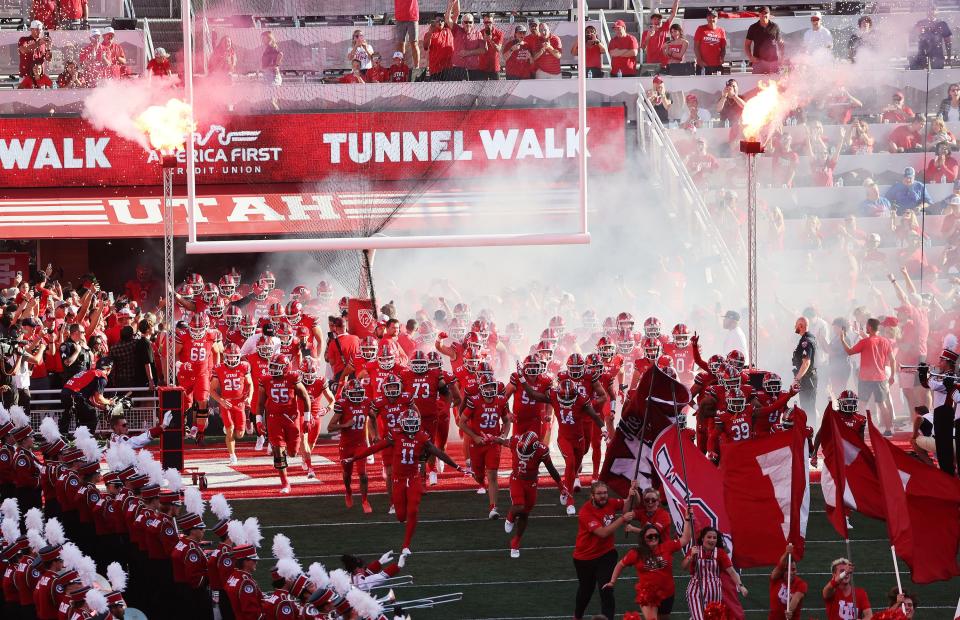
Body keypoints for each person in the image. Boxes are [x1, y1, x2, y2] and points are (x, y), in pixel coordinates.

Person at [345, 411, 465, 554]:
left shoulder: (421, 436)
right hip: (398, 479)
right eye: (408, 423)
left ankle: (406, 545)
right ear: (402, 424)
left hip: (414, 477)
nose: (411, 426)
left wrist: (457, 466)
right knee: (401, 516)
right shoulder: (395, 435)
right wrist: (355, 458)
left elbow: (438, 452)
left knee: (413, 510)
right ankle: (405, 514)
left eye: (413, 423)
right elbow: (375, 448)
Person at [604, 509, 693, 620]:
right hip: (648, 595)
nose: (653, 538)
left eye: (655, 535)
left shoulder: (667, 546)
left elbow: (685, 539)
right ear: (643, 539)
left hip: (667, 593)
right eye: (650, 536)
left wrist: (688, 520)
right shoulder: (636, 553)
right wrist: (612, 582)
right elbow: (620, 564)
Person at [495, 430, 567, 557]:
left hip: (531, 483)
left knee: (525, 514)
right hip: (517, 479)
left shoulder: (541, 450)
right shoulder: (515, 441)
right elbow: (502, 441)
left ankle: (516, 542)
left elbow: (551, 468)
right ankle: (510, 516)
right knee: (519, 506)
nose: (523, 455)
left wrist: (561, 486)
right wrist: (492, 438)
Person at [572, 481, 637, 620]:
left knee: (606, 588)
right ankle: (577, 616)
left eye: (605, 493)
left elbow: (628, 505)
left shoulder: (611, 503)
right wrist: (622, 520)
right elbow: (602, 533)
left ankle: (608, 618)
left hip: (606, 554)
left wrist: (632, 493)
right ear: (592, 495)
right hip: (584, 557)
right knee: (586, 590)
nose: (603, 496)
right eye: (599, 494)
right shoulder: (586, 511)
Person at [682, 527, 747, 620]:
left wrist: (741, 586)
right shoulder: (695, 551)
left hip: (714, 591)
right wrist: (690, 557)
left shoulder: (720, 553)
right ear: (702, 538)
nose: (712, 540)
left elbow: (732, 571)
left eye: (714, 538)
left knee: (711, 617)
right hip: (696, 590)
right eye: (709, 537)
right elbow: (684, 567)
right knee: (699, 618)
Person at [917, 347, 960, 475]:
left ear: (947, 362)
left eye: (941, 360)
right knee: (941, 446)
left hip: (946, 413)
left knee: (944, 447)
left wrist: (928, 376)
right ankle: (946, 472)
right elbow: (928, 385)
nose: (939, 362)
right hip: (940, 413)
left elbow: (937, 386)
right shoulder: (944, 375)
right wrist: (922, 375)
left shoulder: (952, 376)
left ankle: (948, 474)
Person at [60, 357, 114, 434]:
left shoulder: (89, 372)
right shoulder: (101, 376)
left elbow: (92, 398)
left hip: (66, 392)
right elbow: (99, 398)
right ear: (108, 369)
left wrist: (100, 406)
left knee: (69, 416)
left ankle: (62, 436)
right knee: (91, 419)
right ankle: (83, 440)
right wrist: (109, 402)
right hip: (76, 395)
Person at [446, 0, 484, 80]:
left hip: (473, 69)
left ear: (473, 23)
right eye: (466, 22)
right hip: (457, 69)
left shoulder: (478, 34)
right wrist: (450, 5)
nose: (468, 24)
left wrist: (468, 53)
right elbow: (447, 19)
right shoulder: (457, 30)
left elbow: (483, 50)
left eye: (470, 22)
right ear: (462, 23)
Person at [791, 316, 818, 424]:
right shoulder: (810, 337)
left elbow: (806, 362)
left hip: (807, 379)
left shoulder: (806, 341)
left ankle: (811, 432)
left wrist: (797, 379)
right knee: (807, 407)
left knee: (808, 408)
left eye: (796, 325)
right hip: (807, 378)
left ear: (801, 326)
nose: (795, 327)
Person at [769, 544, 807, 620]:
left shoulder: (801, 584)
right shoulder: (776, 578)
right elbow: (780, 566)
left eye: (794, 569)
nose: (791, 572)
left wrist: (789, 610)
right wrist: (787, 553)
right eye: (788, 570)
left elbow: (796, 598)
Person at [744, 6, 784, 74]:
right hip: (758, 62)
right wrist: (750, 57)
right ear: (759, 14)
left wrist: (781, 58)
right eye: (762, 13)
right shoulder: (753, 27)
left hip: (773, 62)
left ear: (769, 15)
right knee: (756, 83)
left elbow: (780, 43)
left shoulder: (775, 26)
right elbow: (747, 45)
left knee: (775, 83)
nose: (764, 15)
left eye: (766, 13)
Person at [640, 0, 679, 66]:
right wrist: (649, 36)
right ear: (651, 20)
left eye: (659, 19)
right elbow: (643, 47)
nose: (657, 21)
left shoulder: (664, 28)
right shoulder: (646, 32)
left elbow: (673, 14)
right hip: (651, 62)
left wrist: (676, 1)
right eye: (655, 19)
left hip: (663, 61)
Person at [911, 6, 951, 70]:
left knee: (937, 74)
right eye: (929, 9)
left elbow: (948, 41)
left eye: (933, 9)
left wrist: (949, 56)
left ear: (937, 12)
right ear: (926, 11)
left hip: (937, 54)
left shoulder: (942, 24)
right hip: (922, 53)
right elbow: (913, 37)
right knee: (920, 74)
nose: (931, 11)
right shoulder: (920, 23)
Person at [422, 11, 454, 80]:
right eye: (437, 21)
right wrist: (430, 32)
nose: (440, 22)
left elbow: (456, 14)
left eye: (442, 20)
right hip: (436, 69)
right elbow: (425, 47)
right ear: (434, 22)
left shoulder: (449, 30)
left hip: (448, 68)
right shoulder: (430, 34)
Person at [694, 10, 726, 75]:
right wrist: (699, 60)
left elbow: (723, 48)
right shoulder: (701, 29)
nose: (711, 19)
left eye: (714, 17)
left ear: (717, 19)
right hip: (703, 65)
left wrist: (722, 57)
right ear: (707, 18)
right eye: (709, 17)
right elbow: (696, 46)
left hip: (717, 65)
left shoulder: (721, 30)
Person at [394, 0, 420, 73]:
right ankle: (401, 68)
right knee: (400, 43)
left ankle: (417, 68)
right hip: (400, 17)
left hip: (412, 16)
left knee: (414, 43)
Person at [475, 13, 503, 81]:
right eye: (485, 22)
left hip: (494, 66)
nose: (487, 24)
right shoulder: (479, 33)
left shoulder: (499, 33)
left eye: (489, 22)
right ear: (483, 23)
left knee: (496, 89)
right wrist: (484, 40)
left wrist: (490, 40)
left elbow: (498, 49)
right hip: (482, 66)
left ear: (493, 22)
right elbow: (478, 50)